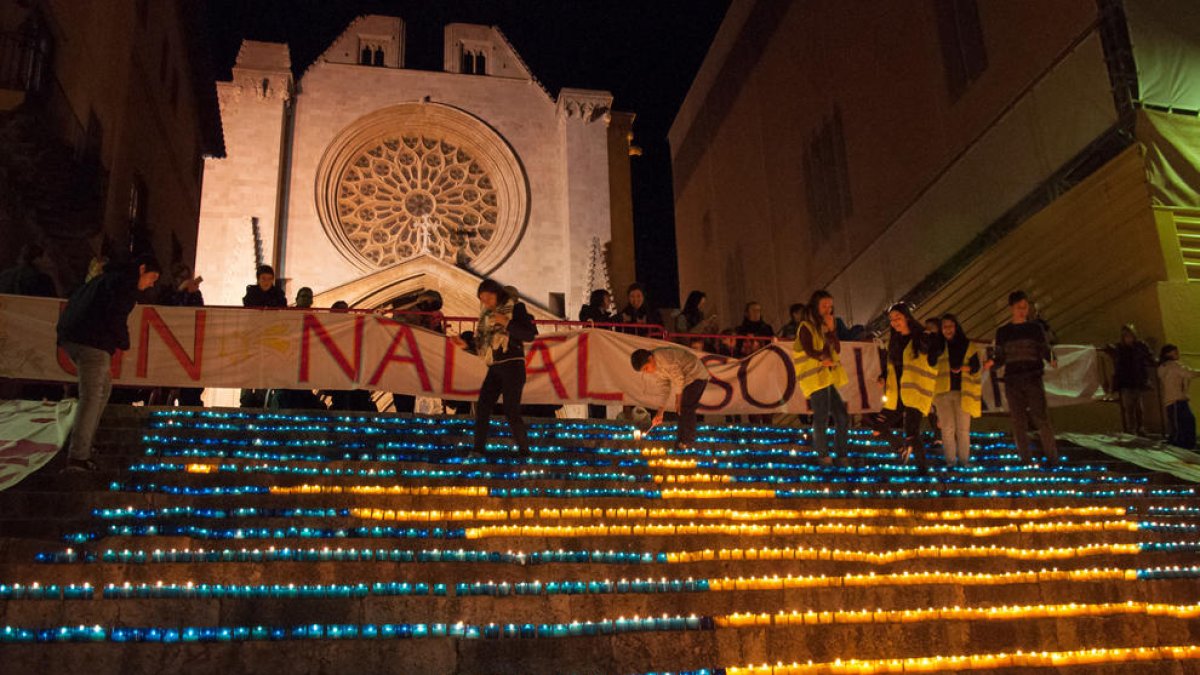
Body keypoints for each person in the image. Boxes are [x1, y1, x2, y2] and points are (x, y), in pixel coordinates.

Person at [56, 256, 161, 471]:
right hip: (92, 341)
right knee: (93, 395)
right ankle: (78, 455)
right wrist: (123, 341)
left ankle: (84, 446)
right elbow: (115, 315)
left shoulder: (106, 279)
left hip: (77, 337)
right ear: (141, 269)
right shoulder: (123, 284)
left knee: (101, 391)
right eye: (152, 277)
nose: (152, 283)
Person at [451, 279, 537, 457]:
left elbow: (529, 335)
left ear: (498, 294)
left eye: (489, 297)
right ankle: (478, 449)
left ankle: (524, 450)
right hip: (495, 367)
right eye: (482, 299)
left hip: (513, 364)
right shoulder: (485, 318)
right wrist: (465, 346)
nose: (486, 303)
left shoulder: (516, 309)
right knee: (482, 406)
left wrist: (507, 323)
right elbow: (484, 348)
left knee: (511, 409)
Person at [992, 290, 1060, 465]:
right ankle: (1025, 459)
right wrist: (991, 364)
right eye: (1019, 307)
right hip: (1013, 379)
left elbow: (1043, 348)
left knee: (1041, 418)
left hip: (1032, 377)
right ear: (1012, 308)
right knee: (1018, 421)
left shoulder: (1035, 329)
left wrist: (1050, 358)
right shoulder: (1003, 332)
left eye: (1025, 307)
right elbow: (1000, 356)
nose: (1023, 311)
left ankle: (1052, 458)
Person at [869, 303, 933, 472]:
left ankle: (923, 471)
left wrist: (927, 338)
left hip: (914, 392)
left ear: (907, 317)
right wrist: (883, 377)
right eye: (891, 319)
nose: (895, 322)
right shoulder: (895, 341)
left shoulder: (920, 337)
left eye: (898, 317)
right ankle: (900, 449)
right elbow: (891, 366)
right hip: (896, 393)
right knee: (878, 428)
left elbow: (929, 353)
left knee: (912, 434)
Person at [793, 290, 849, 466]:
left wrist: (832, 331)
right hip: (814, 379)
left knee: (841, 415)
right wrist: (822, 357)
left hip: (826, 378)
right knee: (822, 416)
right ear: (815, 306)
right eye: (824, 306)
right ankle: (823, 454)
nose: (828, 310)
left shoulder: (825, 326)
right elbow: (809, 350)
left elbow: (837, 348)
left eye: (830, 306)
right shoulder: (805, 326)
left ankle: (841, 454)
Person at [928, 314, 982, 468]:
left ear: (956, 327)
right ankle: (951, 461)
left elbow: (976, 367)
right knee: (947, 428)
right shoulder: (937, 346)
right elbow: (930, 363)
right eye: (944, 327)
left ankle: (964, 461)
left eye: (950, 326)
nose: (948, 330)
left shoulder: (967, 345)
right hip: (942, 393)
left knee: (963, 429)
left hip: (962, 392)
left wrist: (963, 368)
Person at [631, 347, 710, 450]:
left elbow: (678, 377)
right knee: (681, 409)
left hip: (696, 375)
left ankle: (687, 442)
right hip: (687, 380)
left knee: (686, 407)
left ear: (650, 359)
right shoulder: (655, 367)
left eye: (646, 368)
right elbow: (665, 388)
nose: (647, 372)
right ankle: (681, 441)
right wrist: (660, 412)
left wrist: (678, 399)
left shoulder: (664, 357)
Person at [240, 265, 287, 408]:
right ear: (258, 279)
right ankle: (246, 400)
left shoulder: (278, 294)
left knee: (265, 370)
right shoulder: (252, 294)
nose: (266, 282)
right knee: (250, 369)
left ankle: (262, 400)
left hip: (270, 339)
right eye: (263, 279)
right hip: (253, 338)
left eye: (269, 279)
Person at [1106, 324, 1154, 436]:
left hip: (1136, 379)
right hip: (1126, 381)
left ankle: (1139, 427)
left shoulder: (1138, 346)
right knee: (1129, 407)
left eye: (1130, 335)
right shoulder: (1121, 348)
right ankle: (1132, 428)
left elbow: (1148, 357)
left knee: (1138, 406)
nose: (1128, 337)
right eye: (1126, 335)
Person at [579, 288, 614, 419]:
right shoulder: (588, 311)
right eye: (607, 298)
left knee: (601, 385)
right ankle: (595, 417)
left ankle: (601, 416)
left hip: (602, 354)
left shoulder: (605, 315)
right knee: (594, 385)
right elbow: (589, 321)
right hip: (593, 353)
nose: (609, 301)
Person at [1158, 344, 1196, 449]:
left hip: (1175, 400)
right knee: (1182, 426)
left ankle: (1185, 445)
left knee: (1186, 422)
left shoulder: (1163, 367)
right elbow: (1189, 373)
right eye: (1175, 352)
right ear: (1168, 354)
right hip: (1176, 401)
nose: (1178, 354)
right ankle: (1182, 446)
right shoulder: (1173, 366)